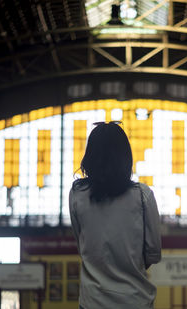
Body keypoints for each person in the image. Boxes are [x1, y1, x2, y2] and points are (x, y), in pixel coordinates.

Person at [69, 121, 162, 309]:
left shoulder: (77, 194)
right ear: (126, 158)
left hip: (91, 302)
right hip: (136, 301)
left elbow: (82, 245)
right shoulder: (142, 195)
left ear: (90, 157)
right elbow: (153, 253)